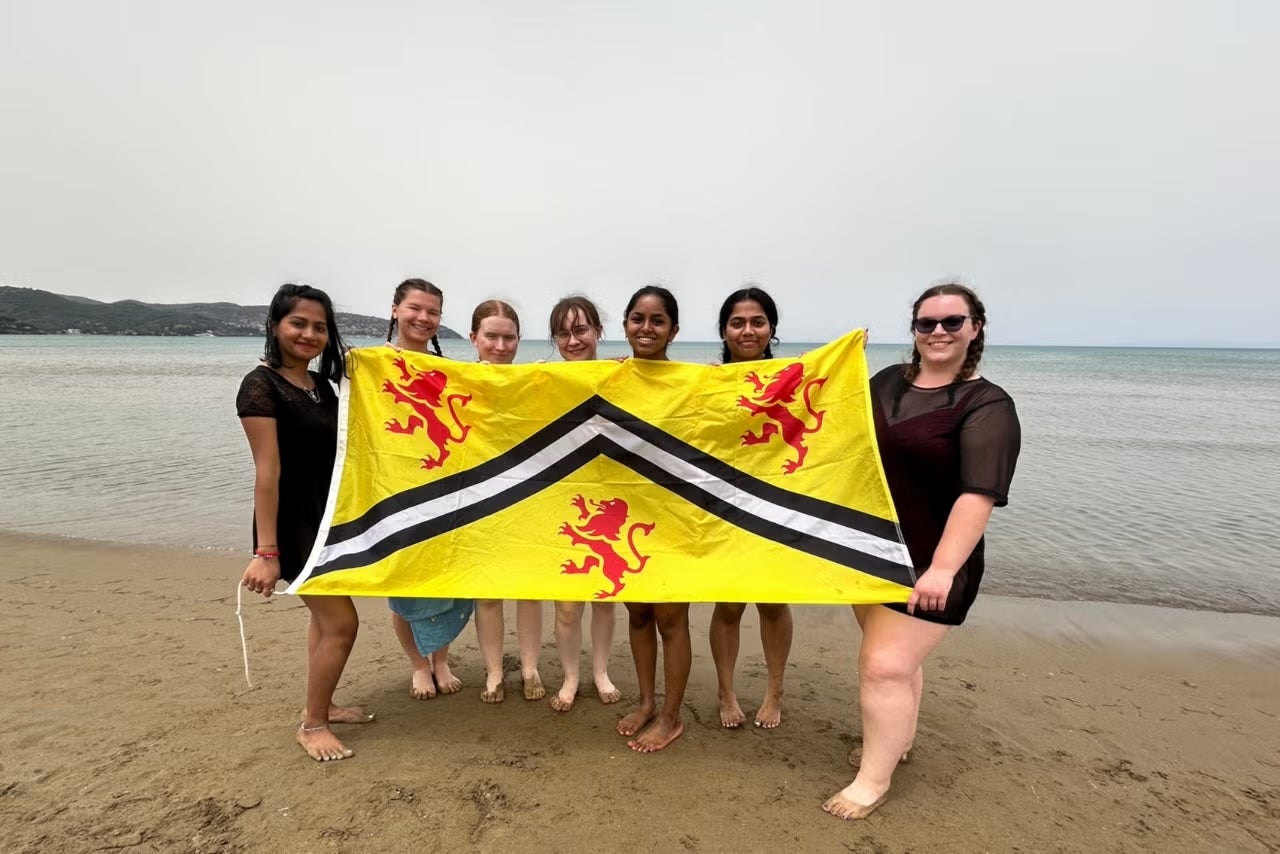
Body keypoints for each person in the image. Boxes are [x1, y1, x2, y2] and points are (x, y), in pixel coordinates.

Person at [823, 282, 1021, 819]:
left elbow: (978, 495)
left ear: (975, 328)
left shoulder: (988, 405)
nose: (937, 332)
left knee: (883, 666)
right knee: (898, 663)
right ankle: (898, 741)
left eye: (951, 322)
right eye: (926, 323)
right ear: (913, 330)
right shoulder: (886, 381)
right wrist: (835, 369)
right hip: (872, 549)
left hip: (935, 561)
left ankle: (872, 779)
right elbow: (837, 429)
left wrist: (943, 570)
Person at [237, 283, 372, 762]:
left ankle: (325, 704)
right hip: (293, 522)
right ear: (275, 325)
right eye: (298, 323)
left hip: (326, 515)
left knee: (323, 620)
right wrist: (266, 552)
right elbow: (267, 472)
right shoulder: (260, 384)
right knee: (342, 624)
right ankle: (312, 724)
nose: (309, 334)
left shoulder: (321, 386)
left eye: (319, 326)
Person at [707, 287, 794, 729]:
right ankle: (726, 692)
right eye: (737, 322)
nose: (747, 330)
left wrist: (846, 361)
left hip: (775, 505)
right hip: (724, 508)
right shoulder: (708, 379)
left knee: (774, 604)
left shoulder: (789, 377)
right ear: (724, 329)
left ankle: (774, 693)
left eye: (757, 322)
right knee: (728, 606)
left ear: (771, 329)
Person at [383, 278, 471, 700]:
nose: (423, 318)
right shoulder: (371, 364)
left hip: (442, 489)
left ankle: (440, 659)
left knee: (444, 578)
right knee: (405, 582)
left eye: (432, 312)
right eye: (415, 308)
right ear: (396, 309)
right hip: (393, 491)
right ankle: (418, 665)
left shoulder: (447, 371)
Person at [614, 285, 691, 753]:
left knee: (671, 617)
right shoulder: (609, 377)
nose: (646, 328)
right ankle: (645, 701)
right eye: (638, 319)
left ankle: (671, 715)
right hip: (625, 511)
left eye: (657, 320)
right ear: (625, 324)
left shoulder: (689, 379)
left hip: (675, 515)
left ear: (673, 330)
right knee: (638, 612)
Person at [468, 299, 546, 703]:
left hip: (527, 496)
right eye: (491, 336)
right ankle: (495, 672)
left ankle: (530, 668)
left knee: (529, 587)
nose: (500, 346)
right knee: (488, 591)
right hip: (479, 499)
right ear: (474, 339)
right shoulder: (457, 379)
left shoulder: (533, 380)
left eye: (508, 337)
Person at [546, 296, 621, 712]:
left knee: (605, 596)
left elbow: (675, 386)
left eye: (581, 330)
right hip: (562, 499)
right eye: (563, 333)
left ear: (597, 332)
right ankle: (572, 675)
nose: (573, 340)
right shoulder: (544, 378)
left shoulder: (620, 372)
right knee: (568, 604)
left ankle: (601, 671)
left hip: (612, 495)